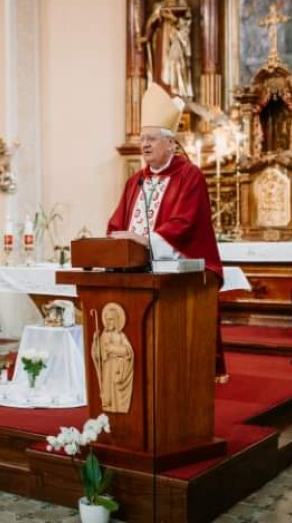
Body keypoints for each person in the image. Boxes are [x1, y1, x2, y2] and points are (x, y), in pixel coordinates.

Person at [106, 82, 227, 381]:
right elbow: (116, 224)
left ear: (171, 144)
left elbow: (185, 223)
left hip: (183, 270)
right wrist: (113, 241)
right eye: (142, 139)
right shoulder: (136, 181)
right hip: (137, 272)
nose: (144, 145)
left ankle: (181, 371)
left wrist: (146, 241)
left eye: (152, 139)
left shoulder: (190, 176)